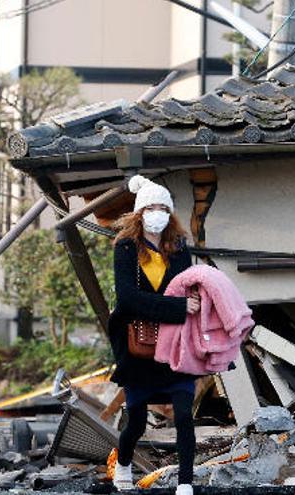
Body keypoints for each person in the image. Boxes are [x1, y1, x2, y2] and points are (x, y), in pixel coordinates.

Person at [109, 175, 201, 495]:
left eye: (163, 207)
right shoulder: (125, 248)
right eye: (151, 207)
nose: (157, 213)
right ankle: (123, 464)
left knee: (185, 414)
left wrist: (189, 305)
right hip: (137, 348)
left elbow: (191, 290)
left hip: (175, 344)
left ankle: (185, 483)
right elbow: (128, 299)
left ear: (171, 213)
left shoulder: (178, 249)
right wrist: (177, 307)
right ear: (139, 213)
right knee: (135, 419)